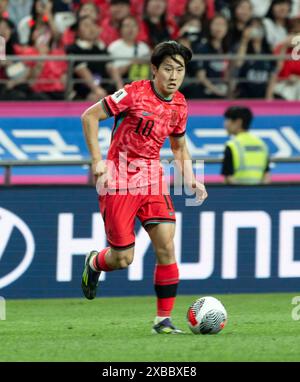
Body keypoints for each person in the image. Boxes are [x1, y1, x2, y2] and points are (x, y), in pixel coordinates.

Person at [80, 40, 208, 334]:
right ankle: (95, 263)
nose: (174, 76)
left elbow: (178, 146)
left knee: (166, 246)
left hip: (152, 178)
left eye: (180, 70)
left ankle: (162, 320)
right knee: (123, 258)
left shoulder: (180, 104)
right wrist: (98, 161)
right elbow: (89, 116)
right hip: (118, 180)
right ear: (154, 70)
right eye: (167, 69)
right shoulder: (134, 93)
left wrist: (190, 178)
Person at [221, 106, 271, 184]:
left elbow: (228, 177)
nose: (225, 124)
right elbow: (267, 176)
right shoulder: (262, 145)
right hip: (259, 193)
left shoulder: (232, 145)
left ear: (238, 122)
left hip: (238, 194)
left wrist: (243, 193)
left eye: (228, 120)